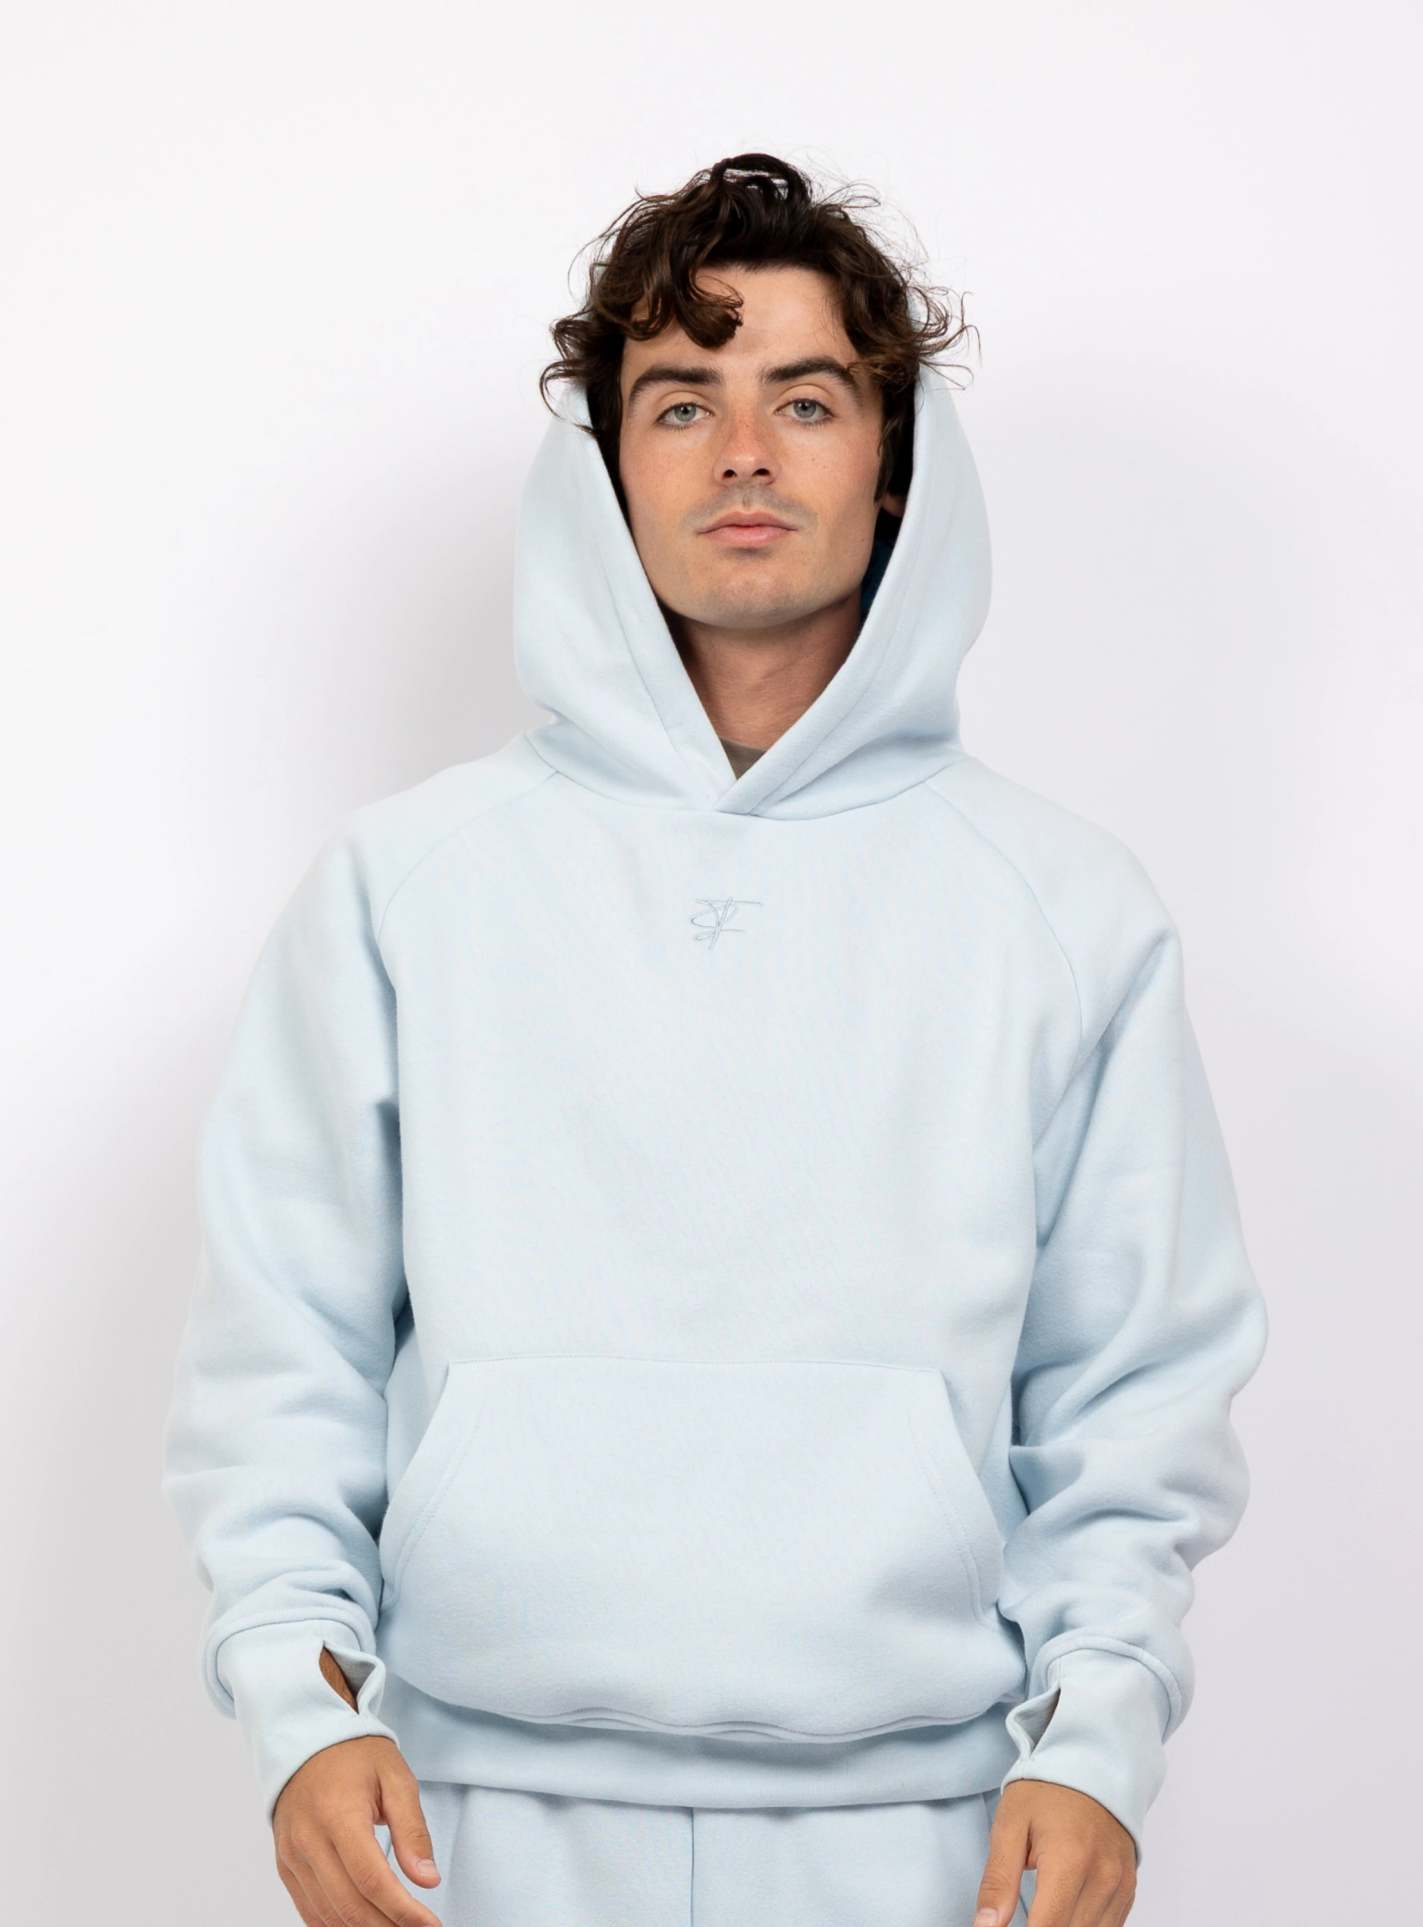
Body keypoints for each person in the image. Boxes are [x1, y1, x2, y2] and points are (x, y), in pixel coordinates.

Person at [160, 152, 1269, 1927]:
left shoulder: (1063, 908)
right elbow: (278, 1348)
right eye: (680, 402)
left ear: (892, 466)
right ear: (606, 463)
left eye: (804, 400)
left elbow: (1131, 1386)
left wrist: (1092, 1742)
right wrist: (300, 1706)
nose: (742, 452)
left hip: (931, 1826)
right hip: (459, 1821)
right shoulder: (406, 885)